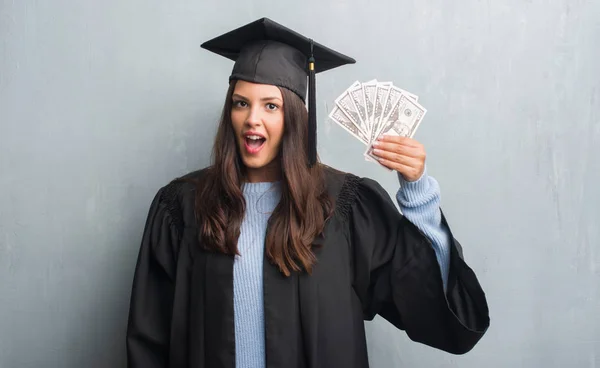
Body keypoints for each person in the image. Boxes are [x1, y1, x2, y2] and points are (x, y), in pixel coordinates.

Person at [126, 17, 490, 368]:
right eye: (241, 103)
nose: (253, 118)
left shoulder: (344, 207)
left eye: (271, 105)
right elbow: (149, 339)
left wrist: (417, 191)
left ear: (296, 118)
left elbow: (423, 299)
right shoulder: (183, 207)